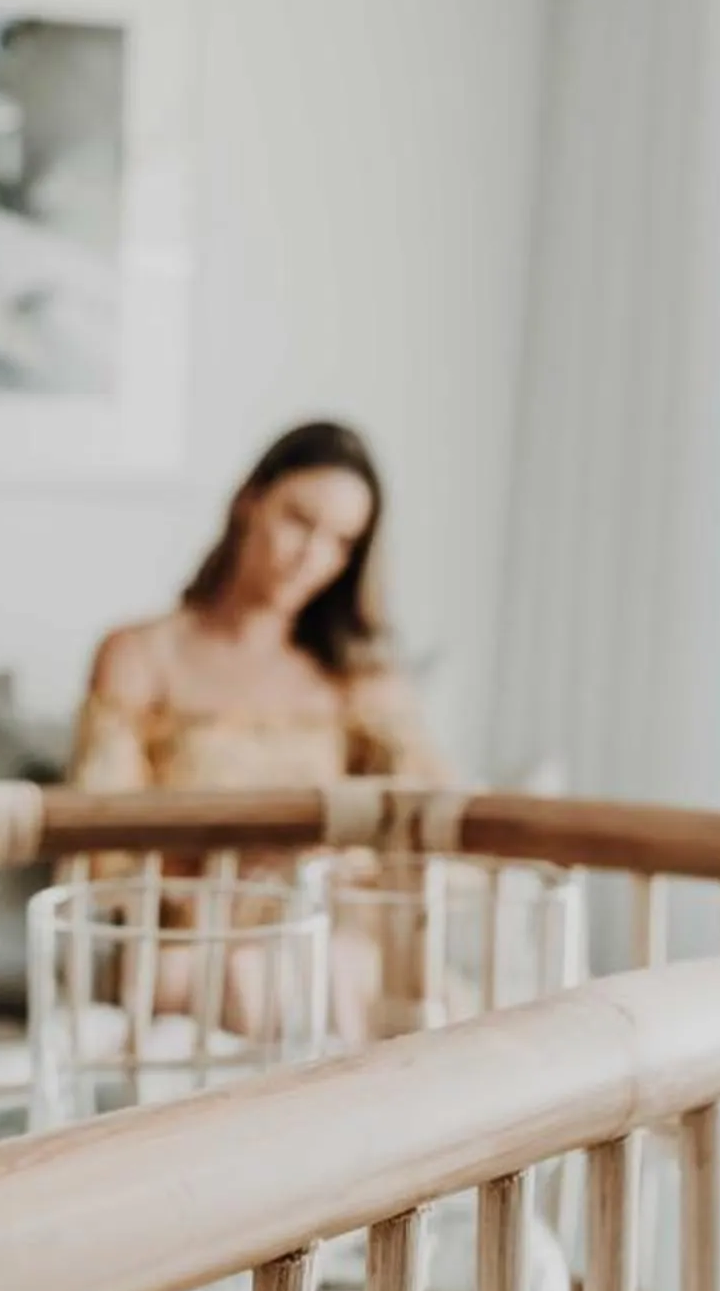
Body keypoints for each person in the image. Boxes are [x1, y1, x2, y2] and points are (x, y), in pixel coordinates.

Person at [71, 420, 447, 1041]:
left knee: (338, 966)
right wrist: (215, 868)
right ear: (250, 500)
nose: (310, 557)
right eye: (298, 520)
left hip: (322, 929)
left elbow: (437, 822)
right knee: (238, 971)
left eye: (341, 542)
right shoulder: (139, 655)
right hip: (186, 940)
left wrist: (324, 857)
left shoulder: (355, 679)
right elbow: (97, 840)